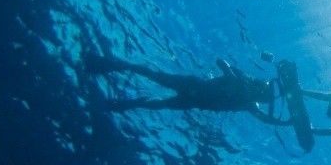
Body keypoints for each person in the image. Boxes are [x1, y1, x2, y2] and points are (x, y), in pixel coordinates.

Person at [84, 53, 287, 125]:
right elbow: (221, 61)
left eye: (266, 95)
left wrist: (286, 122)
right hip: (192, 86)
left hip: (194, 102)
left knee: (159, 105)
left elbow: (264, 119)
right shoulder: (243, 80)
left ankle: (123, 105)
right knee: (153, 76)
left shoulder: (250, 104)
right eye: (264, 90)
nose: (262, 93)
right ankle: (111, 65)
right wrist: (230, 76)